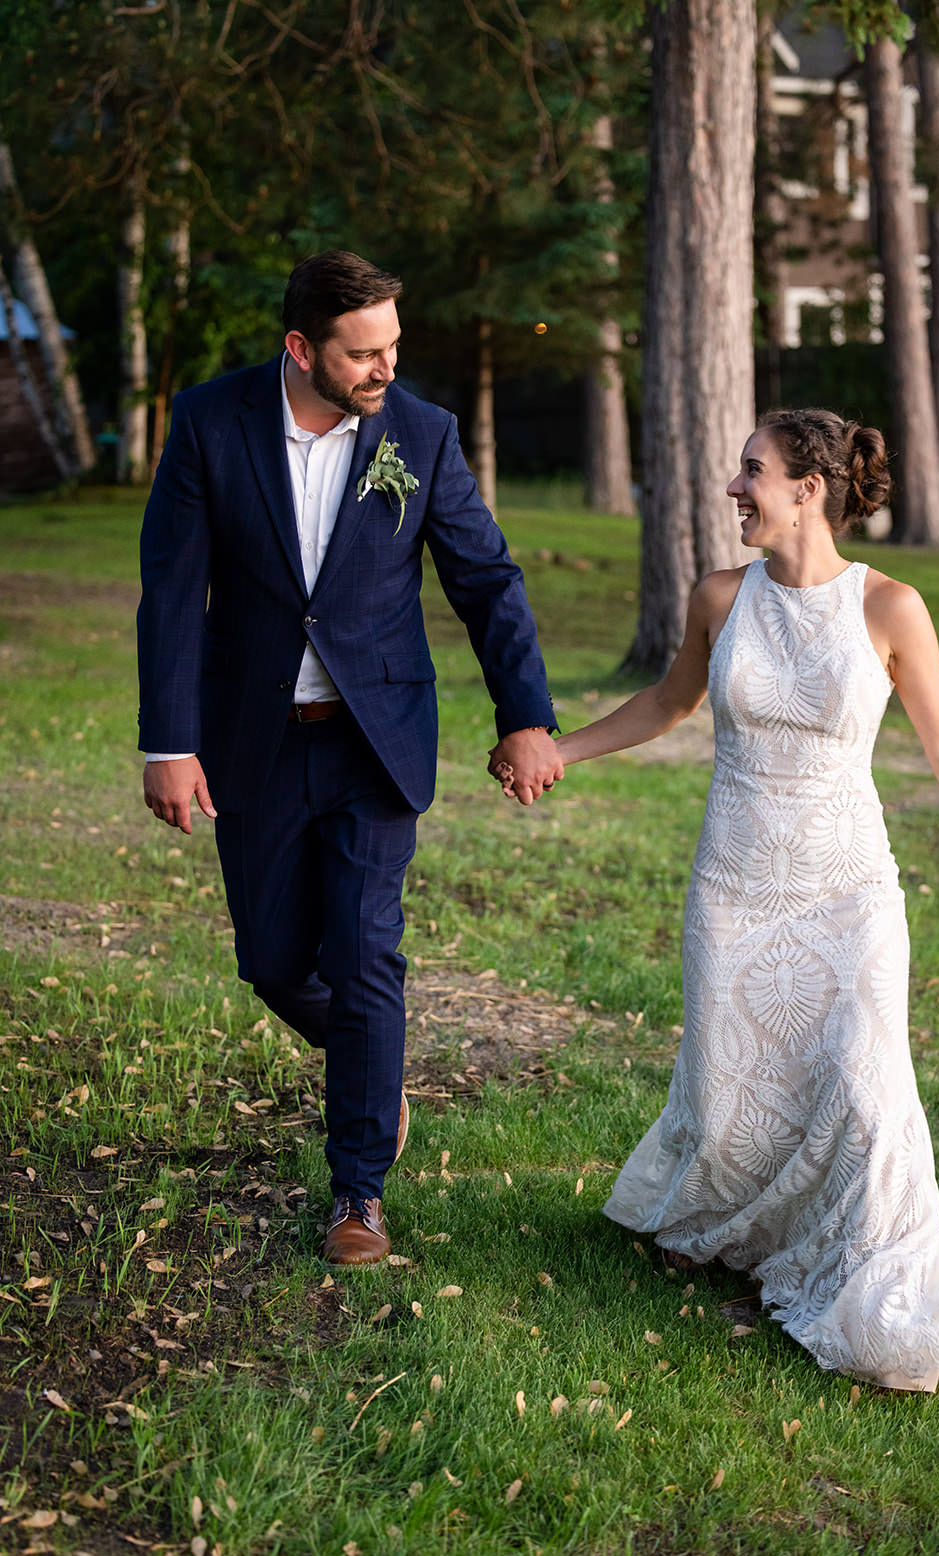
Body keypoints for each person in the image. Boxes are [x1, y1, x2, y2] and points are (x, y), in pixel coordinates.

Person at [539, 409, 939, 1392]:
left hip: (848, 888)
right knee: (729, 1092)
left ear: (807, 489)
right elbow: (664, 702)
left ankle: (870, 1278)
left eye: (750, 472)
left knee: (862, 1083)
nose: (733, 489)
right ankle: (725, 1220)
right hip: (733, 879)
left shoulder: (889, 607)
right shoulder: (720, 598)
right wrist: (561, 748)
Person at [138, 250, 563, 1268]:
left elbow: (486, 580)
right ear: (301, 348)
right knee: (272, 959)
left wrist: (525, 714)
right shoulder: (209, 422)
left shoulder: (419, 434)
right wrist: (168, 741)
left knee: (368, 957)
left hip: (376, 742)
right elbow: (170, 590)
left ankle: (357, 1195)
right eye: (360, 352)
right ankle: (373, 1072)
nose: (382, 369)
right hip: (252, 739)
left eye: (391, 349)